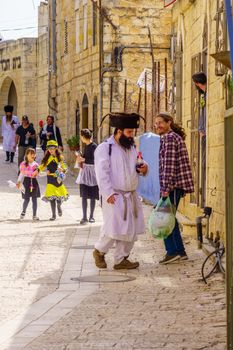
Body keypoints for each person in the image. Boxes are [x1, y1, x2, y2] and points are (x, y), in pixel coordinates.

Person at [93, 112, 148, 270]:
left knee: (130, 229)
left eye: (132, 132)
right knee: (114, 228)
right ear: (118, 131)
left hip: (130, 195)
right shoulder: (105, 148)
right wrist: (108, 193)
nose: (131, 136)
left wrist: (143, 167)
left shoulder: (131, 148)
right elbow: (101, 173)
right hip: (114, 195)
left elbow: (138, 162)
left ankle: (121, 259)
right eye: (129, 132)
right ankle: (99, 251)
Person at [154, 111, 194, 265]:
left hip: (172, 186)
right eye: (156, 123)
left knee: (164, 219)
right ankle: (180, 252)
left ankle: (172, 252)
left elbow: (169, 167)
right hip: (174, 186)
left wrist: (165, 189)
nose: (157, 126)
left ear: (169, 122)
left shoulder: (170, 138)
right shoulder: (169, 138)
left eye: (160, 123)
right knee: (170, 218)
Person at [33, 140, 68, 220]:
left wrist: (62, 170)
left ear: (56, 148)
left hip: (58, 179)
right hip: (50, 180)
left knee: (59, 197)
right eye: (49, 148)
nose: (51, 150)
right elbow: (42, 166)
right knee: (52, 198)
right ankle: (53, 215)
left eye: (52, 148)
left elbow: (65, 167)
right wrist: (37, 170)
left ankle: (59, 206)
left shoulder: (60, 157)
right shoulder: (47, 158)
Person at [76, 129, 99, 224]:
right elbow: (85, 158)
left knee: (93, 196)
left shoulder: (94, 146)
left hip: (93, 175)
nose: (80, 138)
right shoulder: (86, 146)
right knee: (84, 196)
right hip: (85, 174)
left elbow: (95, 160)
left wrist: (83, 159)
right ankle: (84, 217)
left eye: (81, 136)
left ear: (84, 136)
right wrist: (80, 157)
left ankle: (91, 216)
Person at [17, 148, 40, 220]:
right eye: (31, 153)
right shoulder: (23, 164)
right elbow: (21, 174)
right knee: (26, 199)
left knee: (34, 199)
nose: (33, 155)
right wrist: (18, 182)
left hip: (34, 182)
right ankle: (23, 212)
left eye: (34, 153)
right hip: (26, 182)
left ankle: (34, 215)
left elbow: (39, 174)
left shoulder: (36, 164)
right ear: (27, 155)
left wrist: (46, 173)